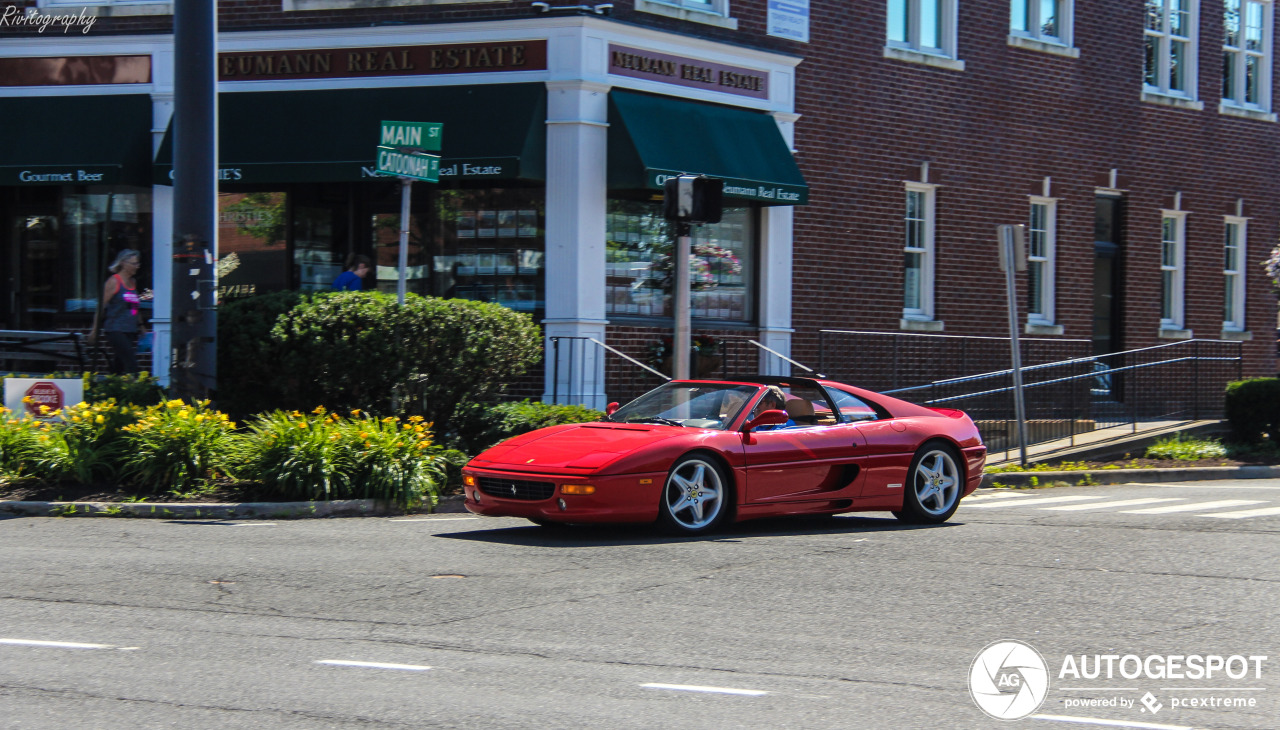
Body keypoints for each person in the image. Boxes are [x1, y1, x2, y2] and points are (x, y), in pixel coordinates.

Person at [90, 249, 147, 374]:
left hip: (130, 329)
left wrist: (141, 326)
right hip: (115, 328)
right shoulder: (114, 281)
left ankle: (113, 387)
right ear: (124, 263)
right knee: (131, 361)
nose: (137, 267)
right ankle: (136, 388)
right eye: (134, 264)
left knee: (119, 363)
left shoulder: (133, 282)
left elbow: (134, 306)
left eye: (138, 263)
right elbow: (101, 306)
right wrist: (95, 329)